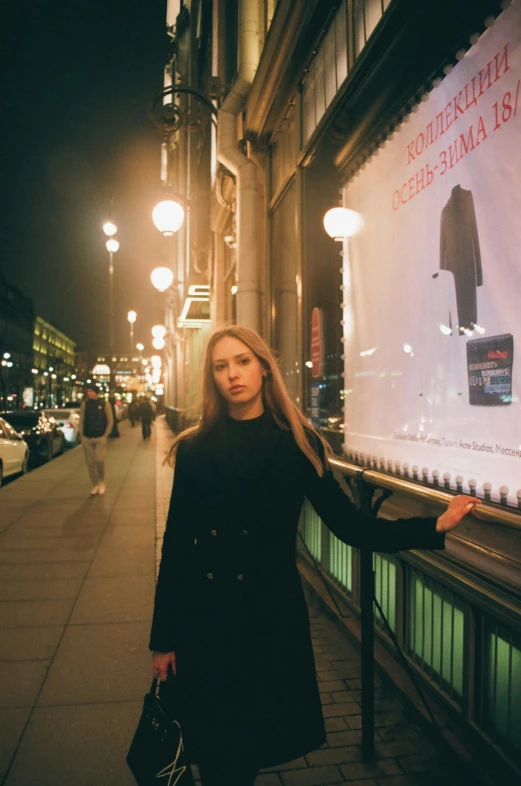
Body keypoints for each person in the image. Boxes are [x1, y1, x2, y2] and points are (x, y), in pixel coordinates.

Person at [149, 326, 481, 786]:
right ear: (212, 377)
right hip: (206, 623)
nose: (233, 375)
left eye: (242, 361)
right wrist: (162, 637)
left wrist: (433, 526)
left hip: (268, 620)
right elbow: (178, 546)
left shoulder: (296, 443)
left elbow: (351, 526)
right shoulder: (194, 448)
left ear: (264, 368)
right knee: (217, 753)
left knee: (245, 747)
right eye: (221, 366)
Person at [78, 383, 113, 495]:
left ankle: (102, 482)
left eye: (91, 391)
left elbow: (110, 421)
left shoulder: (104, 404)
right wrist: (82, 435)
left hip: (100, 437)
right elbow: (81, 420)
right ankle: (95, 484)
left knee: (99, 460)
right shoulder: (85, 405)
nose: (89, 393)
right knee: (90, 463)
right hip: (87, 437)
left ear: (96, 392)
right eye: (88, 391)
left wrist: (105, 435)